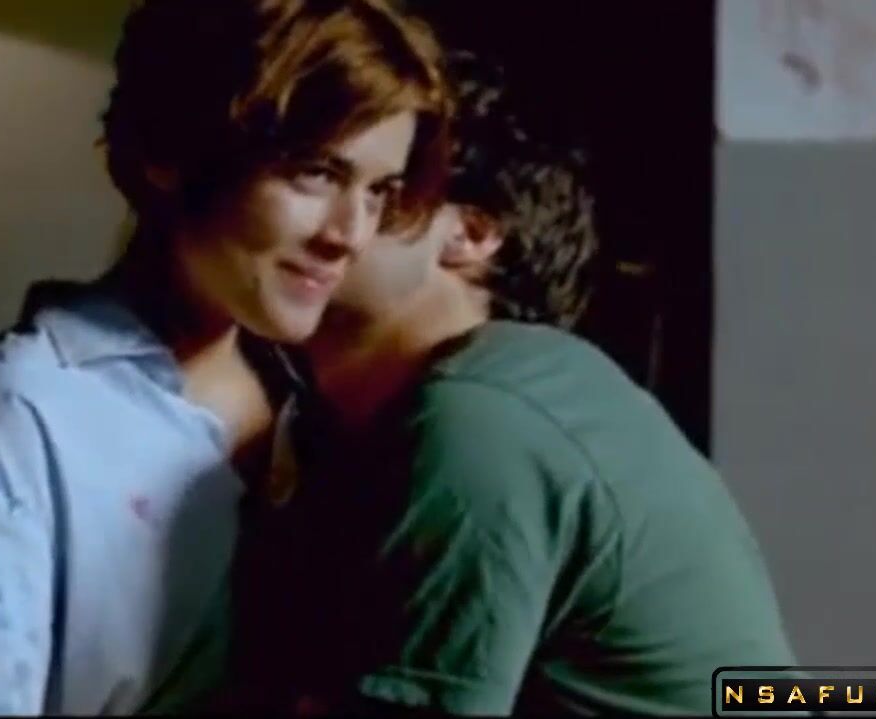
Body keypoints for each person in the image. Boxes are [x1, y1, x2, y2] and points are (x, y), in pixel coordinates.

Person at [0, 0, 453, 714]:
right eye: (314, 172)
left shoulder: (320, 403)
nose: (350, 234)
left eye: (379, 191)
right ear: (169, 154)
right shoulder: (31, 410)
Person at [230, 50, 798, 715]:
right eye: (316, 175)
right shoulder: (357, 424)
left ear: (469, 235)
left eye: (384, 189)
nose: (325, 218)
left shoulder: (482, 418)